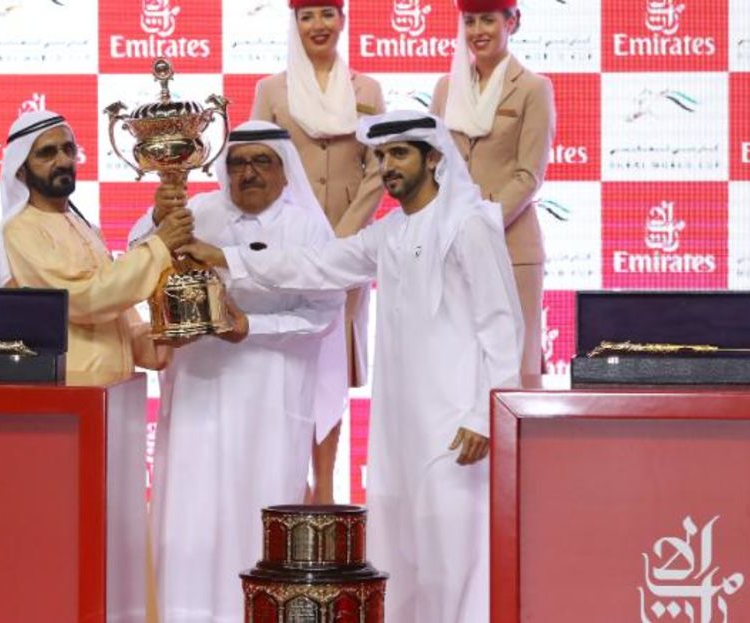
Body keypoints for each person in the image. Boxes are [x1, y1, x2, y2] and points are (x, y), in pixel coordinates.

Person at [180, 111, 523, 622]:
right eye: (382, 157)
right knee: (404, 548)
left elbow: (502, 323)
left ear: (434, 159)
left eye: (400, 154)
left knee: (458, 551)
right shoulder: (388, 233)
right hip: (403, 422)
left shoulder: (470, 224)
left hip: (457, 423)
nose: (388, 167)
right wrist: (227, 256)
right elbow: (317, 265)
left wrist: (482, 414)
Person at [130, 121, 347, 623]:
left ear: (284, 170)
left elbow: (322, 314)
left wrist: (253, 326)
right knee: (190, 510)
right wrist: (158, 215)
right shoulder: (198, 213)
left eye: (260, 162)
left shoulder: (308, 228)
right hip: (198, 394)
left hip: (272, 395)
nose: (247, 173)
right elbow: (138, 260)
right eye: (236, 164)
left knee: (259, 506)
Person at [252, 0, 387, 504]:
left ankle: (326, 488)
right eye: (308, 16)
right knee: (290, 362)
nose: (318, 26)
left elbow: (379, 167)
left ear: (343, 20)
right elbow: (256, 163)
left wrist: (346, 235)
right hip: (290, 249)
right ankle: (290, 483)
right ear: (295, 23)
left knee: (332, 365)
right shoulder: (272, 90)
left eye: (328, 14)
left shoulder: (366, 90)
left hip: (348, 251)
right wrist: (301, 233)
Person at [0, 109, 194, 383]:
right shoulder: (20, 229)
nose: (63, 160)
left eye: (68, 149)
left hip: (112, 393)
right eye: (47, 153)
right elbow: (83, 299)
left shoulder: (86, 229)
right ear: (21, 169)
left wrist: (168, 334)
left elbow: (123, 322)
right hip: (66, 396)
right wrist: (159, 245)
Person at [429, 0, 555, 377]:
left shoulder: (533, 88)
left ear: (512, 23)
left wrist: (479, 222)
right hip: (452, 244)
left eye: (488, 20)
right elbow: (435, 164)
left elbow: (528, 175)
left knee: (515, 366)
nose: (478, 31)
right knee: (457, 366)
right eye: (470, 21)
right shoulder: (446, 87)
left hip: (511, 244)